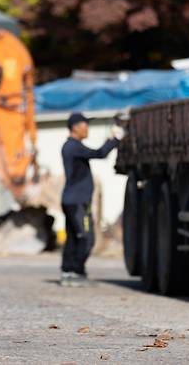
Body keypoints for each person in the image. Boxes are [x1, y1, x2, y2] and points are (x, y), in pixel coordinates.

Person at [60, 112, 124, 287]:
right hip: (77, 202)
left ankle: (68, 271)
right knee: (86, 238)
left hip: (72, 200)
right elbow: (100, 153)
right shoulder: (73, 147)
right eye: (84, 124)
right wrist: (116, 139)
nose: (87, 127)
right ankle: (75, 272)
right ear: (75, 127)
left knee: (74, 238)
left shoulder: (72, 147)